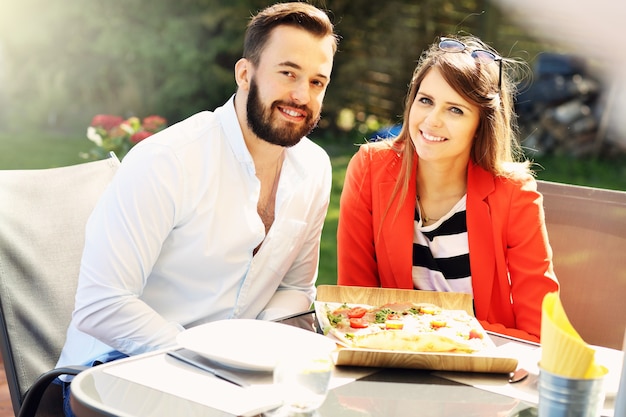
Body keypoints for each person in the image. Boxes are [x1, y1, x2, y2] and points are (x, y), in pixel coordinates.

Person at [56, 2, 339, 415]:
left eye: (317, 82)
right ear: (245, 73)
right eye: (288, 73)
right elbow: (103, 304)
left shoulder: (315, 168)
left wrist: (258, 356)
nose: (301, 95)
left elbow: (294, 290)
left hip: (233, 386)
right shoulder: (169, 160)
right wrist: (213, 363)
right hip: (116, 373)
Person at [337, 35, 559, 342]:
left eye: (455, 110)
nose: (432, 121)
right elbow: (355, 305)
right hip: (390, 361)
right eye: (426, 100)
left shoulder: (513, 195)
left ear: (481, 124)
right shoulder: (370, 169)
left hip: (484, 365)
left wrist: (433, 330)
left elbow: (540, 333)